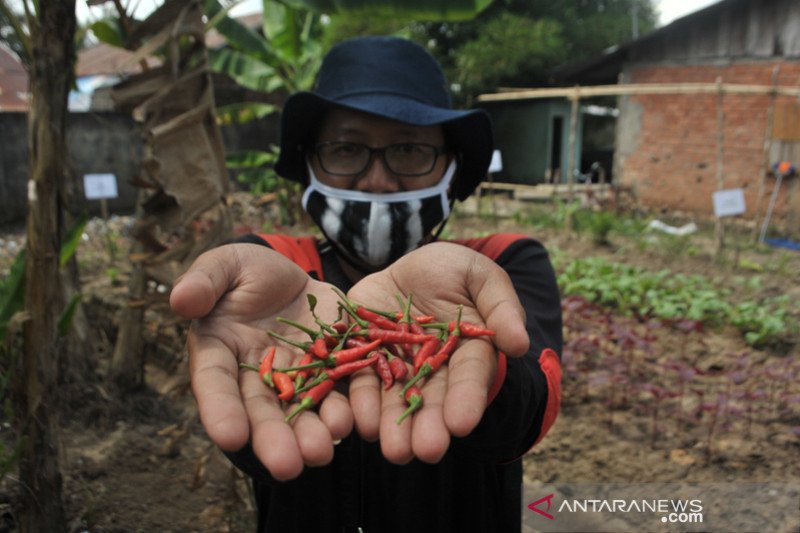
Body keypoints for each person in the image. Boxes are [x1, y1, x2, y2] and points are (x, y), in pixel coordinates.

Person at [170, 35, 563, 532]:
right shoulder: (273, 273)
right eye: (346, 149)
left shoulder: (501, 261)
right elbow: (255, 441)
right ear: (310, 163)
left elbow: (530, 413)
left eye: (409, 149)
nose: (377, 181)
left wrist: (492, 373)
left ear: (451, 167)